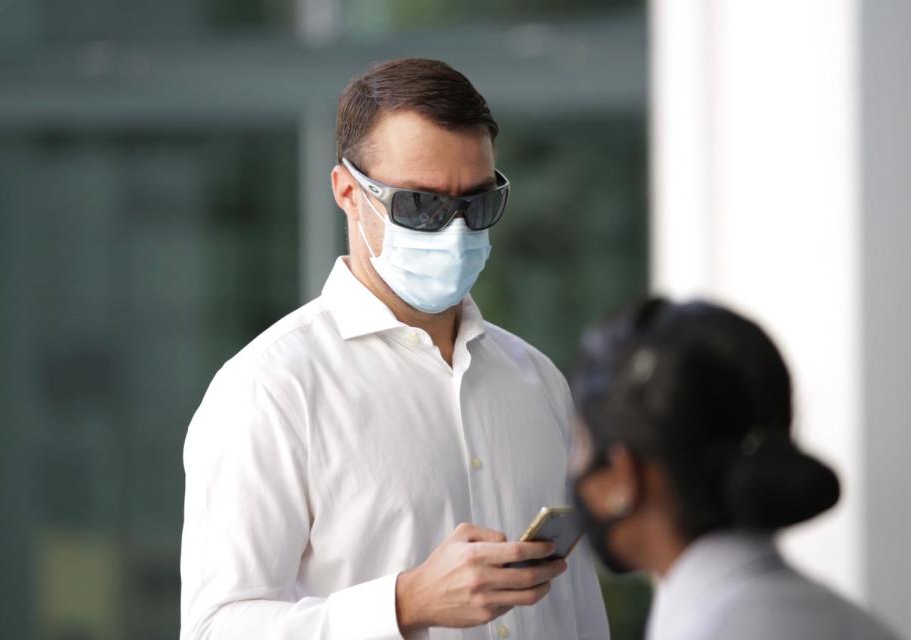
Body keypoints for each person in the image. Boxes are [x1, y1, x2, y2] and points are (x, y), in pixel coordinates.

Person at [180, 58, 610, 640]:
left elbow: (579, 610)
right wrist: (403, 604)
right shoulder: (270, 388)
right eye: (421, 207)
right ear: (348, 193)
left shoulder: (536, 379)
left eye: (477, 205)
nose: (455, 231)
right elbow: (216, 628)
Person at [569, 298, 900, 640]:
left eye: (580, 445)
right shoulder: (850, 622)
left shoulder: (708, 627)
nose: (573, 469)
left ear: (624, 476)